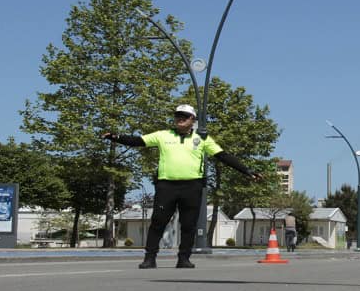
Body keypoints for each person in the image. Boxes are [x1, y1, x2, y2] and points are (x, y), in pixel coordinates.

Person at [104, 104, 258, 269]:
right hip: (166, 186)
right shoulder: (163, 135)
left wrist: (247, 171)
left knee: (188, 224)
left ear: (192, 120)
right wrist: (115, 137)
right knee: (158, 222)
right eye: (177, 116)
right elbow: (137, 141)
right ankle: (149, 258)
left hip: (192, 186)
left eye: (184, 116)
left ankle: (184, 258)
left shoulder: (202, 139)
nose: (179, 119)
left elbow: (223, 156)